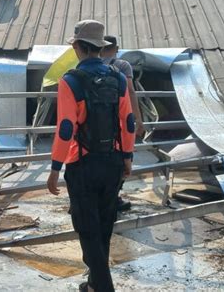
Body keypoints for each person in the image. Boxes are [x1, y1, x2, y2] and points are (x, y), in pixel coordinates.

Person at [47, 20, 135, 292]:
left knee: (87, 229)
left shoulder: (70, 81)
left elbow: (65, 129)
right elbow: (128, 121)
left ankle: (103, 287)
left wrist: (54, 168)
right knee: (105, 226)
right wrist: (128, 157)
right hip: (113, 161)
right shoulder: (118, 78)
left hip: (82, 164)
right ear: (99, 48)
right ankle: (95, 283)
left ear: (78, 47)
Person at [100, 35, 144, 212]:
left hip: (93, 124)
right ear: (116, 49)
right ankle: (113, 197)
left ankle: (86, 199)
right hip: (118, 123)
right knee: (121, 160)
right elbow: (131, 92)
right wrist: (138, 119)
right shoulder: (122, 65)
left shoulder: (85, 67)